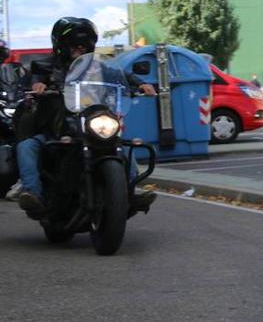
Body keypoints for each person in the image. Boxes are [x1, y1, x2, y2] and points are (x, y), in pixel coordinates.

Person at [16, 17, 157, 215]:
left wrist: (141, 84)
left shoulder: (98, 67)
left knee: (118, 146)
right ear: (62, 46)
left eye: (84, 46)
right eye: (74, 46)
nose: (79, 50)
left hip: (92, 122)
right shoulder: (46, 66)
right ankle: (33, 194)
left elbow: (122, 77)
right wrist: (36, 85)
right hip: (57, 127)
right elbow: (33, 77)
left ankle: (130, 193)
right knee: (26, 147)